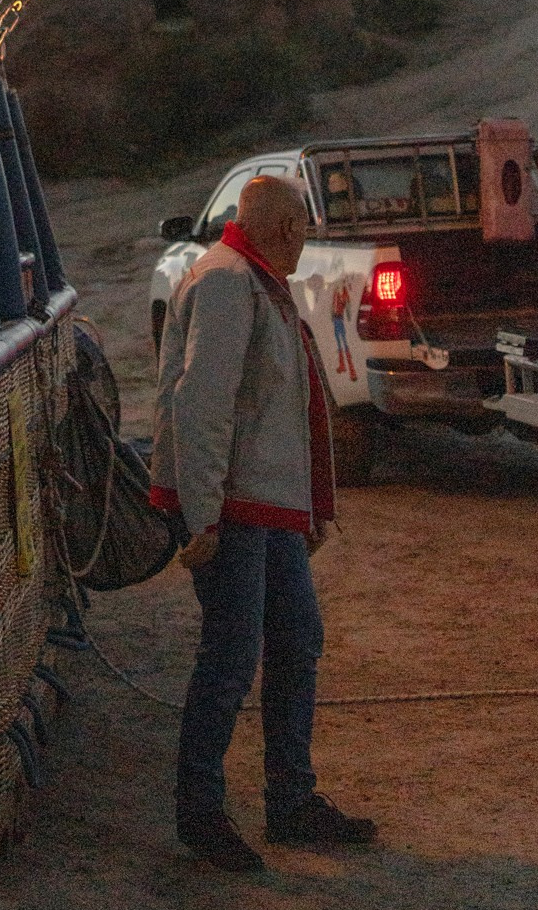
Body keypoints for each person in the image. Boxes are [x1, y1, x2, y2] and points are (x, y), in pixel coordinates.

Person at [146, 170, 376, 873]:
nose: (307, 239)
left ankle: (289, 800)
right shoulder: (225, 282)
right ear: (282, 230)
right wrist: (203, 515)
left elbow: (272, 411)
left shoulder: (252, 281)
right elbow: (199, 404)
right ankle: (201, 813)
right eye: (303, 227)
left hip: (265, 509)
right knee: (230, 659)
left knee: (294, 643)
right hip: (237, 511)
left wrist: (306, 509)